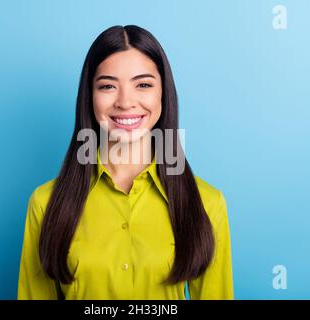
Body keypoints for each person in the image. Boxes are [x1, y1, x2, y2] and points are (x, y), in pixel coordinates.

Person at [18, 25, 233, 300]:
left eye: (143, 84)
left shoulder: (207, 203)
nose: (125, 102)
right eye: (108, 86)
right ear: (90, 96)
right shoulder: (45, 204)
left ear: (163, 94)